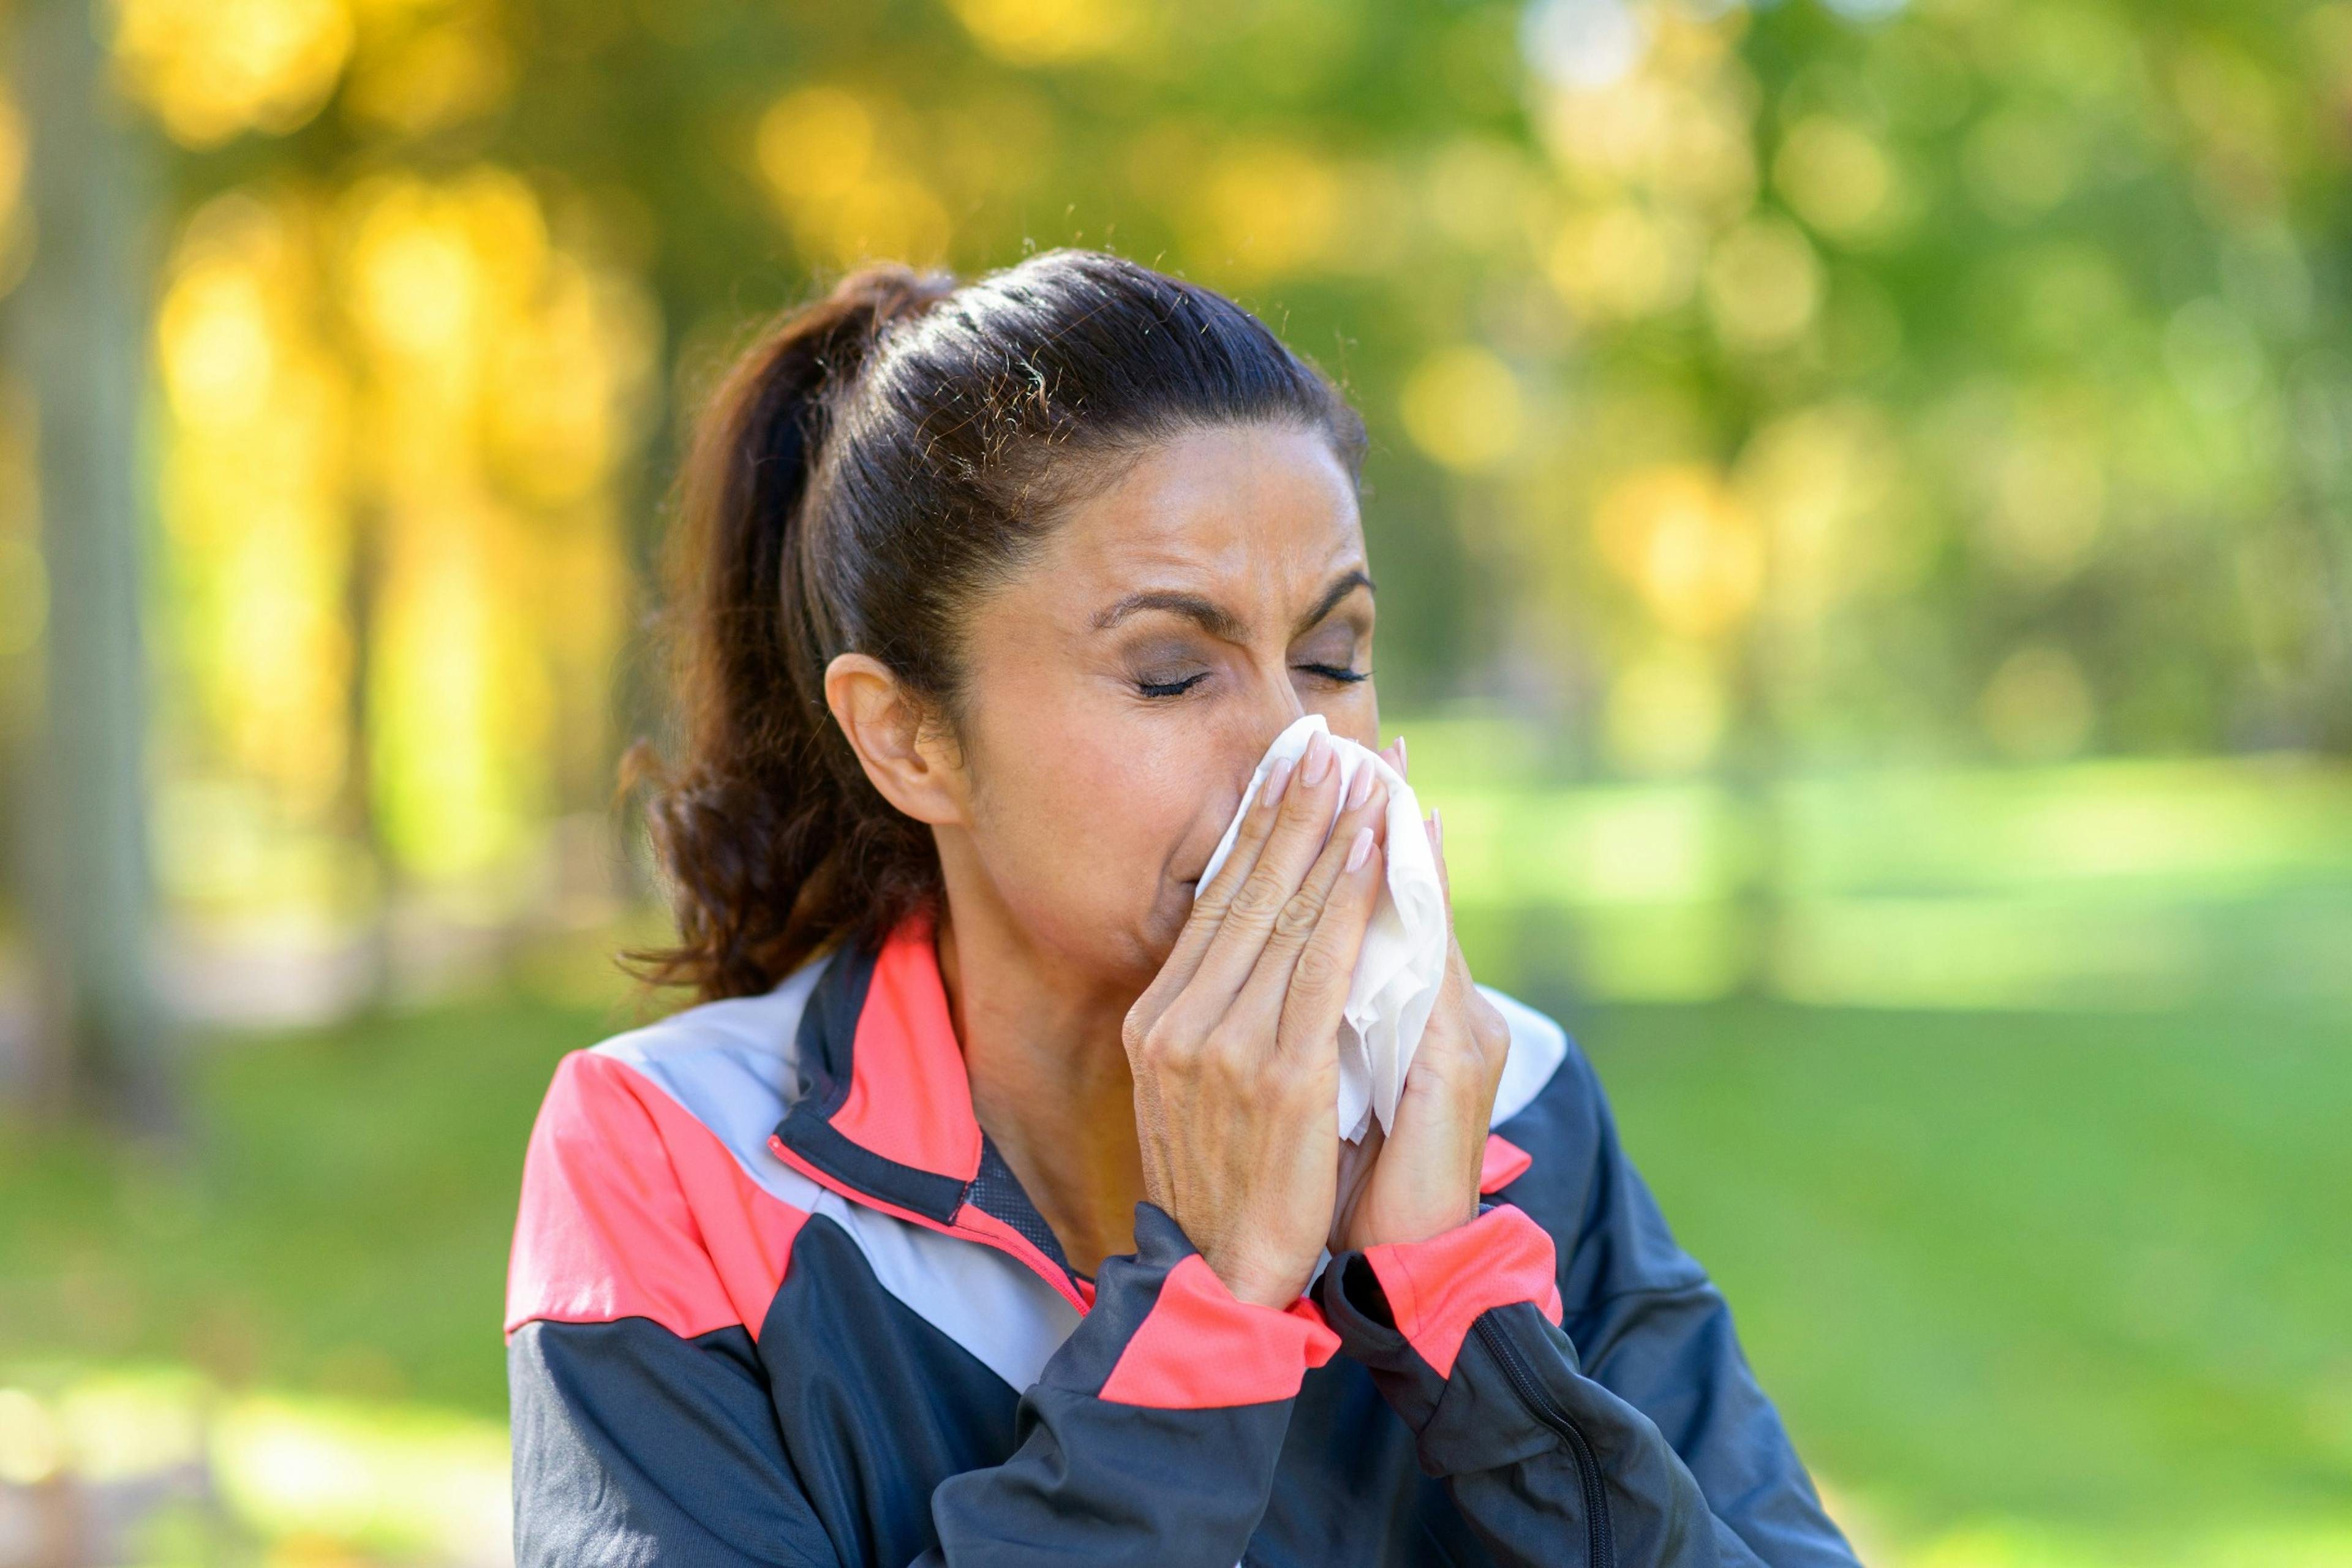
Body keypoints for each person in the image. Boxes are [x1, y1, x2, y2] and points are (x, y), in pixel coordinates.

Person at [503, 249, 1860, 1567]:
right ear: (909, 737)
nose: (1295, 753)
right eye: (1169, 672)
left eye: (1333, 656)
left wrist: (1461, 1311)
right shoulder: (674, 1157)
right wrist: (1208, 1312)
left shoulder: (1513, 1102)